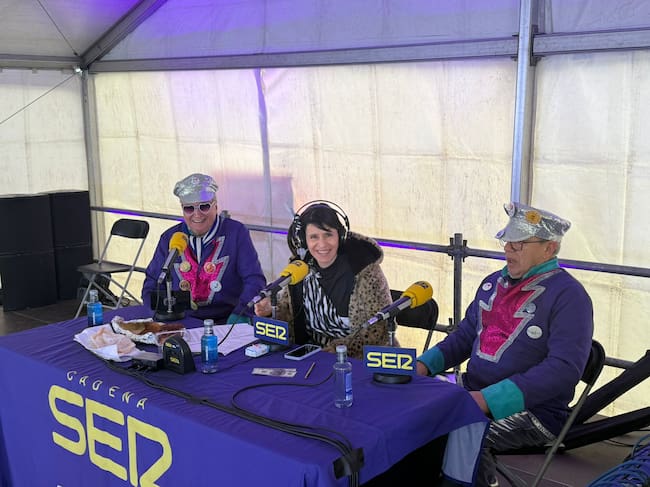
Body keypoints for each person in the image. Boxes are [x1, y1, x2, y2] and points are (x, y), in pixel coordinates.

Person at [416, 202, 594, 487]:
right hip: (472, 389)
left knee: (460, 430)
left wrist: (488, 399)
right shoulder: (492, 283)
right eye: (508, 241)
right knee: (414, 407)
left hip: (536, 412)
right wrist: (424, 365)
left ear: (549, 248)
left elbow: (563, 369)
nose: (509, 249)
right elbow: (464, 337)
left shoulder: (570, 296)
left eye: (520, 243)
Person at [253, 201, 393, 359]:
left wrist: (337, 351)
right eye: (314, 237)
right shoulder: (300, 269)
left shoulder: (365, 270)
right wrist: (271, 312)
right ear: (303, 240)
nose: (322, 244)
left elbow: (377, 330)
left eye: (328, 235)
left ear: (340, 235)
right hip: (313, 356)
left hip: (360, 359)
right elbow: (290, 318)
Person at [142, 173, 266, 324]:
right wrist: (159, 315)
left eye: (204, 206)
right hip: (181, 321)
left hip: (226, 320)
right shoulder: (169, 238)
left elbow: (254, 279)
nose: (197, 214)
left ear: (216, 206)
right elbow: (152, 282)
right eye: (189, 208)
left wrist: (242, 313)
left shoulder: (236, 233)